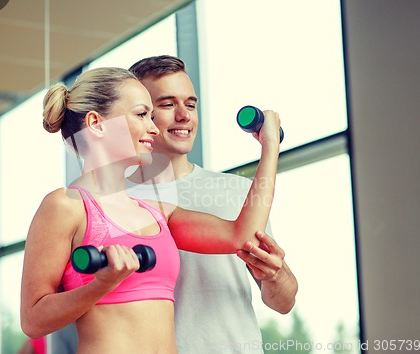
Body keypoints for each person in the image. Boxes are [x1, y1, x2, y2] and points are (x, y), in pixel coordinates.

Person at [20, 66, 282, 353]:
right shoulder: (65, 206)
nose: (154, 128)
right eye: (142, 114)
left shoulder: (156, 210)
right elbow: (33, 320)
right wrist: (100, 286)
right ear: (96, 123)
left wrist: (269, 149)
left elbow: (241, 236)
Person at [126, 55, 299, 353]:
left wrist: (276, 275)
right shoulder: (117, 201)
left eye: (191, 105)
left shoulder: (238, 192)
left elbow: (282, 303)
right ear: (139, 113)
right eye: (167, 105)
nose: (184, 116)